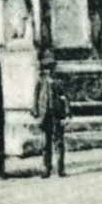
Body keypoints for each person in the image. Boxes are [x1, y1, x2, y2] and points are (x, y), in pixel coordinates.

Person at [35, 46, 68, 179]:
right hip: (45, 115)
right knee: (45, 143)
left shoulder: (59, 82)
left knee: (59, 142)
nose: (48, 71)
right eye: (46, 68)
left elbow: (65, 98)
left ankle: (60, 168)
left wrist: (67, 113)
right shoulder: (40, 82)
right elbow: (35, 97)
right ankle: (46, 168)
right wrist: (35, 111)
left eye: (51, 68)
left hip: (57, 114)